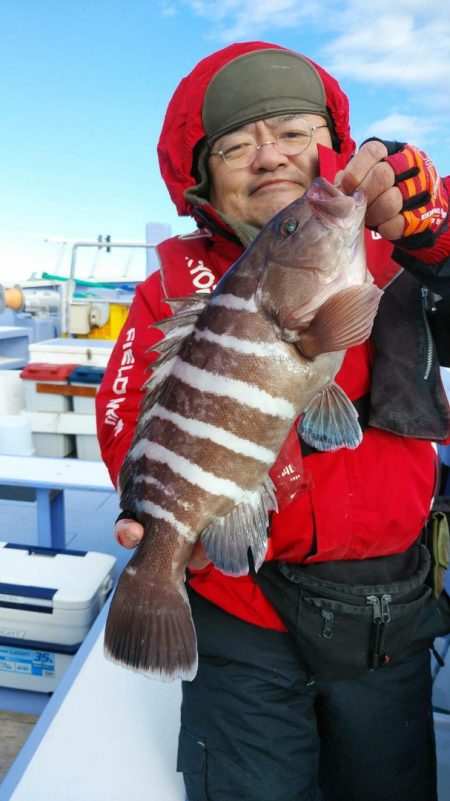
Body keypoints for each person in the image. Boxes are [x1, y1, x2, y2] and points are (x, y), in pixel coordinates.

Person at [96, 41, 450, 801]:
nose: (267, 156)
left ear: (335, 148)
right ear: (203, 179)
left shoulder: (405, 256)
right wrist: (156, 518)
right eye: (234, 144)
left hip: (390, 616)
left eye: (293, 130)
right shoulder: (172, 289)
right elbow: (129, 413)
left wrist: (436, 239)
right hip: (240, 613)